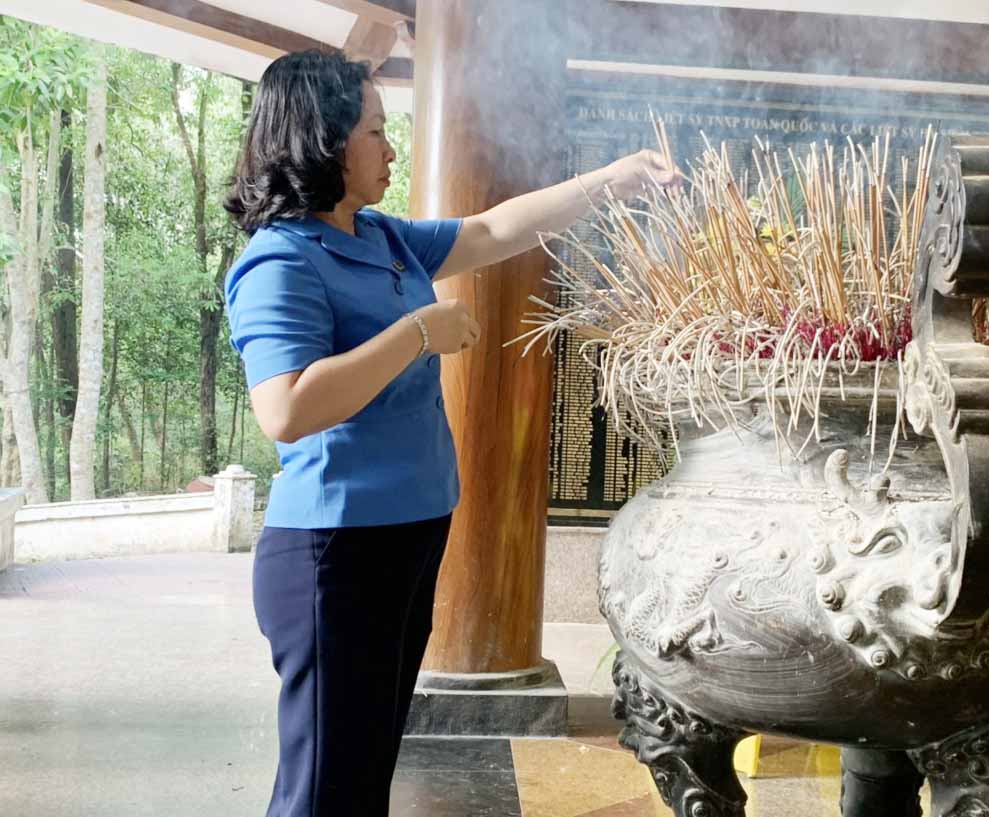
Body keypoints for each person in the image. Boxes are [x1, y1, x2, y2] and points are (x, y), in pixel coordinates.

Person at [221, 49, 677, 817]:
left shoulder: (383, 237)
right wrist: (415, 332)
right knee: (325, 781)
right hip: (334, 551)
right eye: (374, 130)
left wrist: (613, 180)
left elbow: (498, 226)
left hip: (406, 532)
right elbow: (286, 408)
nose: (390, 148)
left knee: (362, 769)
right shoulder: (280, 259)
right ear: (323, 140)